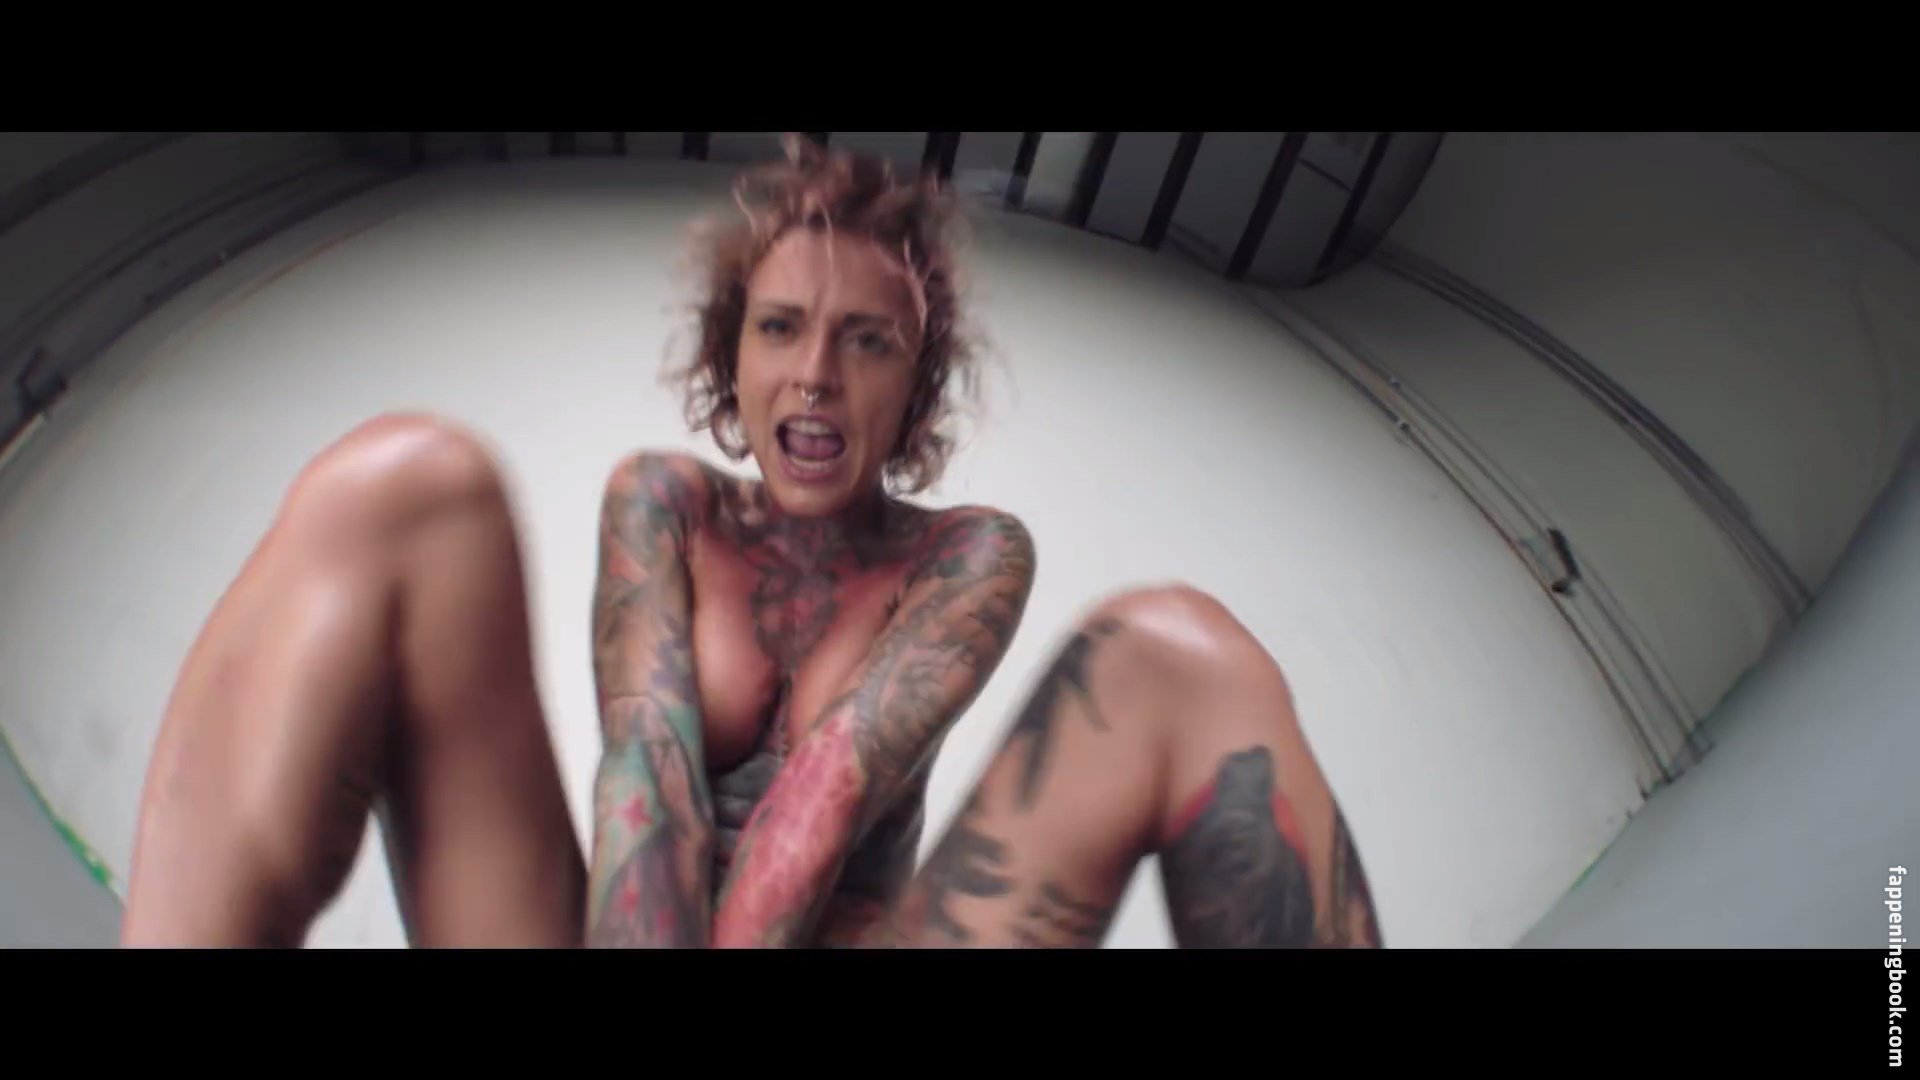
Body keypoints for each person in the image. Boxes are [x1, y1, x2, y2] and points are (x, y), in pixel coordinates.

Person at [118, 137, 1382, 949]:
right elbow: (649, 779)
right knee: (403, 483)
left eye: (867, 342)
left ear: (914, 390)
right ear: (733, 358)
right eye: (781, 328)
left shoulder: (971, 554)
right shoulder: (663, 499)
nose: (816, 374)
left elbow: (824, 797)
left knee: (1180, 655)